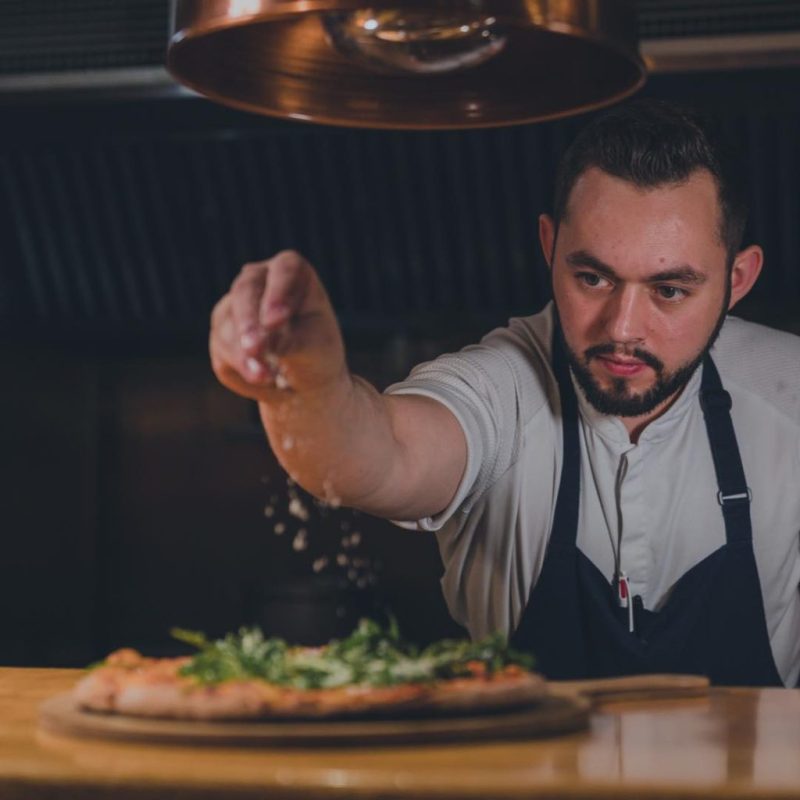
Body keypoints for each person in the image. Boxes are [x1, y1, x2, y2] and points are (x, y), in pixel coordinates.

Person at [209, 99, 800, 687]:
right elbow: (378, 456)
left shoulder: (788, 390)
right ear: (549, 247)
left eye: (669, 291)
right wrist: (308, 384)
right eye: (592, 278)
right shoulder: (504, 386)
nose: (622, 328)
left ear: (737, 279)